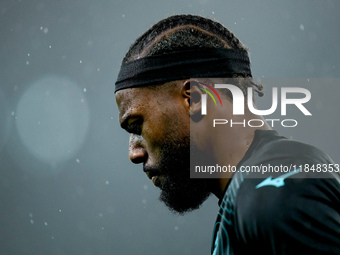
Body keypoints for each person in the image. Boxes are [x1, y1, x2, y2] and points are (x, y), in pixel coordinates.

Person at [115, 14, 340, 254]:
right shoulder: (253, 191)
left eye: (136, 126)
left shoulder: (272, 191)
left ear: (195, 99)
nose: (134, 153)